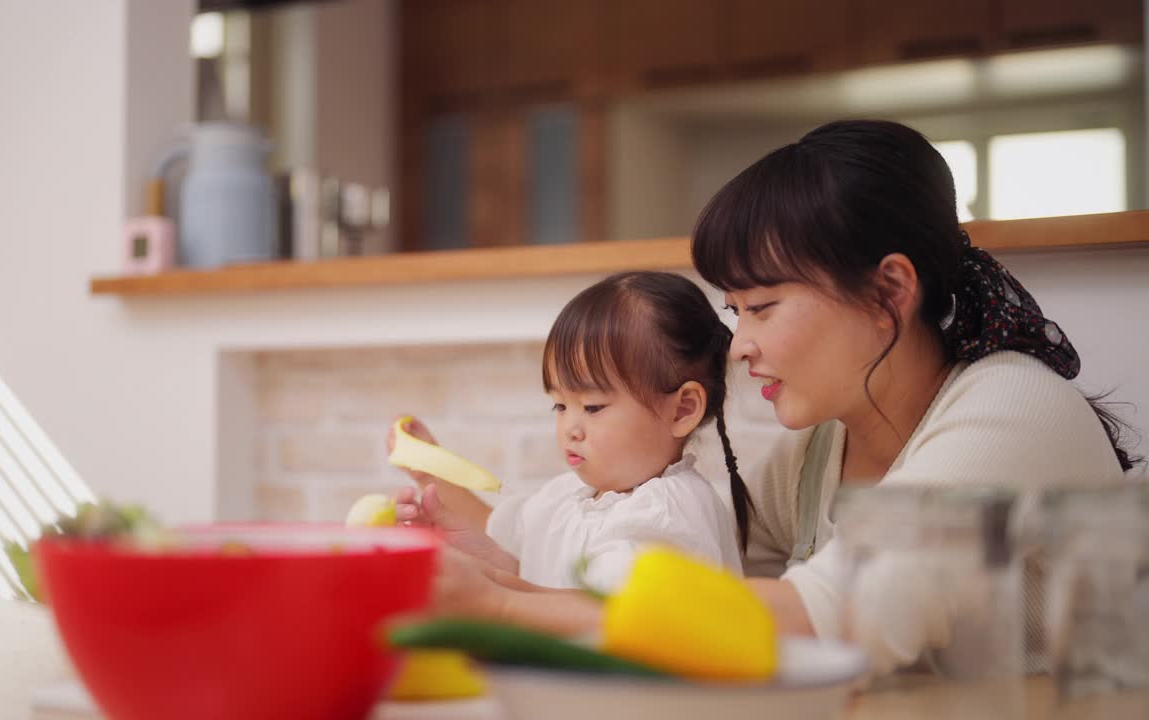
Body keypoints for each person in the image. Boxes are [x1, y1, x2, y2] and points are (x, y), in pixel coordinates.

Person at [400, 119, 1142, 673]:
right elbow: (695, 586)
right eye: (735, 312)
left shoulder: (1009, 415)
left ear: (889, 290)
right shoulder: (824, 447)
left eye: (763, 307)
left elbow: (817, 619)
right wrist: (502, 570)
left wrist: (500, 607)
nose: (741, 343)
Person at [387, 271, 752, 594]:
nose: (570, 429)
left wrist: (490, 590)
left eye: (592, 407)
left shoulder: (670, 513)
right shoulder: (567, 497)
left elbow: (596, 617)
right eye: (560, 406)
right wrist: (429, 475)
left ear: (683, 410)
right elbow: (526, 572)